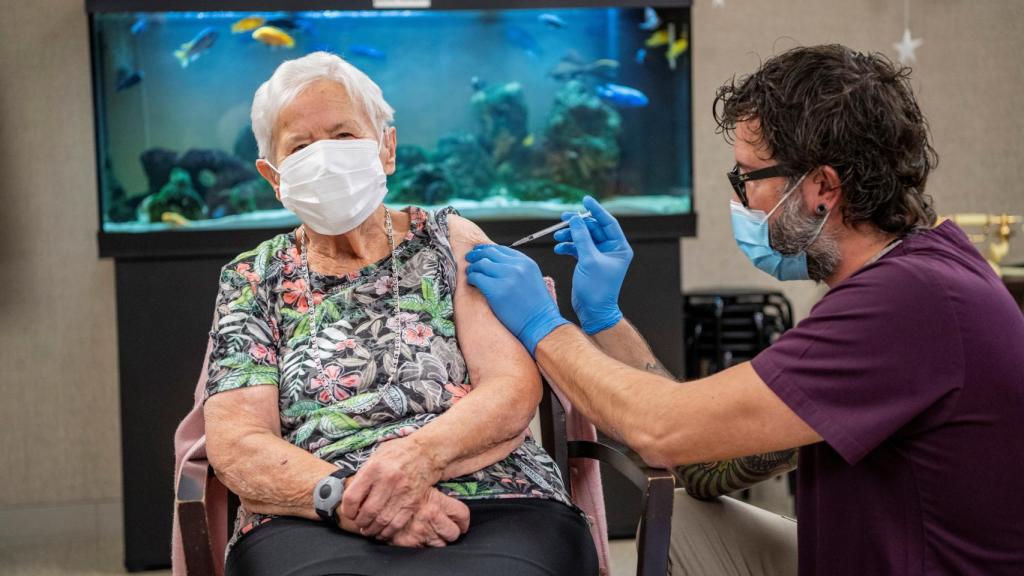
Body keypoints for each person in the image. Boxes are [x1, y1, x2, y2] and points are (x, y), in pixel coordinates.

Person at [466, 45, 1024, 575]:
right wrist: (605, 318)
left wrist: (544, 326)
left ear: (822, 187)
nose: (740, 202)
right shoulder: (913, 273)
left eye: (748, 177)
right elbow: (703, 467)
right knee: (683, 521)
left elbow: (663, 431)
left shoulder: (906, 306)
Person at [202, 52, 597, 576]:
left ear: (386, 147)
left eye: (344, 136)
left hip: (498, 495)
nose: (324, 157)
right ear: (273, 176)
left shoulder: (451, 241)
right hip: (315, 512)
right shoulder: (253, 278)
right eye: (300, 147)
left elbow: (509, 388)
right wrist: (348, 500)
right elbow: (238, 442)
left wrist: (415, 461)